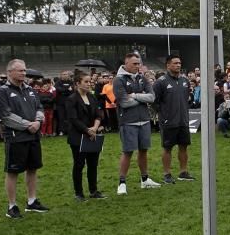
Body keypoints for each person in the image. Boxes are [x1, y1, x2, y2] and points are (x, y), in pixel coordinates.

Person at [0, 59, 49, 219]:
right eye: (20, 71)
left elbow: (39, 107)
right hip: (15, 137)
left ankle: (32, 201)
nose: (24, 73)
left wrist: (38, 121)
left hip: (33, 135)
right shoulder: (2, 91)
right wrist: (27, 125)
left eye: (24, 71)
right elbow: (5, 115)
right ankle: (12, 205)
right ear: (10, 72)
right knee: (13, 171)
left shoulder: (30, 90)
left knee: (33, 168)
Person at [113, 53, 161, 195]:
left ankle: (145, 179)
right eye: (134, 64)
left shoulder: (142, 78)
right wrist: (141, 97)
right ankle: (122, 183)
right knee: (127, 152)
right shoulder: (118, 80)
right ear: (126, 64)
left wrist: (134, 95)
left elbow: (152, 97)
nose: (137, 66)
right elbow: (124, 102)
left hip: (144, 120)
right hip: (128, 121)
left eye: (139, 63)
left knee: (144, 150)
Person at [152, 55, 195, 183]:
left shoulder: (185, 81)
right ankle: (167, 174)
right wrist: (164, 114)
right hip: (168, 121)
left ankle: (183, 172)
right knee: (167, 147)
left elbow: (187, 98)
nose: (178, 65)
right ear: (168, 65)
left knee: (184, 146)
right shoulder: (161, 82)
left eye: (180, 63)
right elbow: (154, 101)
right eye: (175, 63)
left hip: (183, 120)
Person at [65, 71, 106, 201]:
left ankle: (93, 191)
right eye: (86, 82)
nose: (89, 84)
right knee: (79, 165)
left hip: (93, 135)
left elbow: (99, 113)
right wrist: (87, 130)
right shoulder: (71, 99)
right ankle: (79, 193)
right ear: (78, 83)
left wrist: (95, 127)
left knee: (93, 164)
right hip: (78, 137)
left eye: (90, 82)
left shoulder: (92, 97)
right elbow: (73, 119)